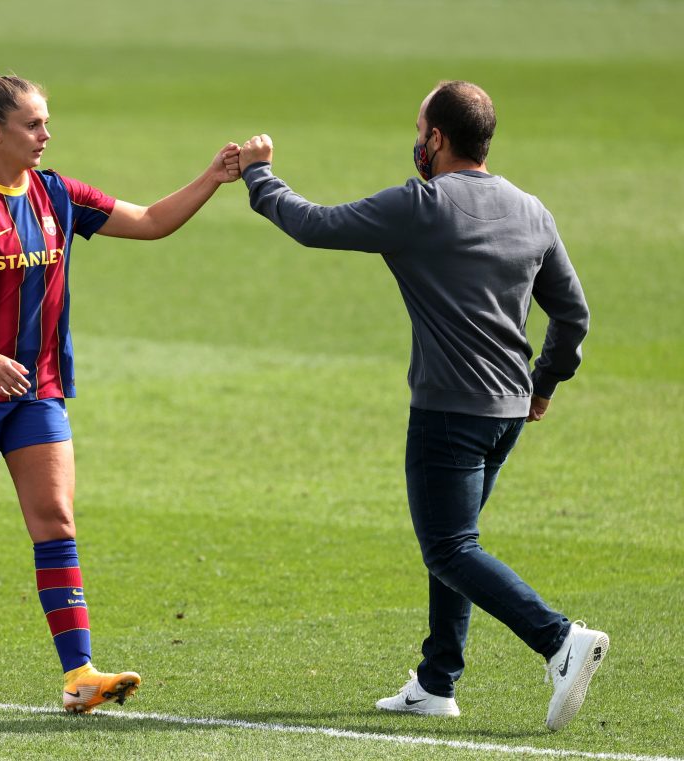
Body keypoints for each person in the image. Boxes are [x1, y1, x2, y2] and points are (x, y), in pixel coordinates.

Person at [238, 81, 607, 732]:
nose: (416, 140)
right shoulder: (531, 209)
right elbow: (573, 314)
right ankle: (437, 681)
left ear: (436, 138)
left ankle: (559, 640)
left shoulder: (422, 206)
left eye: (419, 128)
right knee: (455, 538)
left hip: (448, 413)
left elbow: (311, 223)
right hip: (506, 411)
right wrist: (543, 383)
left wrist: (260, 174)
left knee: (448, 546)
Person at [0, 69, 240, 710]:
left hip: (38, 393)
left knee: (55, 521)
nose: (46, 135)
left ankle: (79, 675)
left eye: (47, 122)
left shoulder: (57, 195)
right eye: (33, 124)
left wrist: (213, 178)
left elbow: (151, 221)